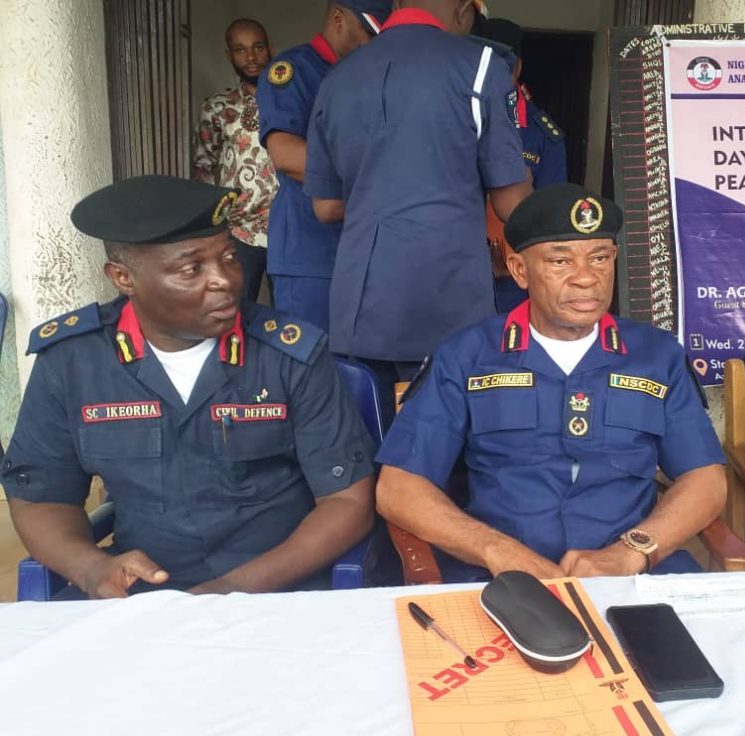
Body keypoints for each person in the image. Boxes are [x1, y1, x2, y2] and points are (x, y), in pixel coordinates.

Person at [1, 176, 377, 598]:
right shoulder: (72, 361)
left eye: (230, 257)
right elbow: (41, 498)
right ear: (123, 278)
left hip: (278, 593)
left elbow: (347, 504)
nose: (224, 280)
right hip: (141, 597)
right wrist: (91, 568)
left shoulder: (289, 355)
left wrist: (230, 590)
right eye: (191, 268)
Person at [375, 184, 726, 583]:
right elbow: (398, 488)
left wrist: (631, 552)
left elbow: (706, 479)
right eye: (561, 262)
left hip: (632, 577)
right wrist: (496, 550)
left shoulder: (657, 355)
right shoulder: (468, 356)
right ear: (519, 270)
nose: (586, 279)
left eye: (600, 258)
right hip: (499, 579)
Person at [304, 0, 532, 422]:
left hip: (358, 307)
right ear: (465, 10)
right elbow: (511, 202)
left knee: (371, 441)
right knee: (441, 453)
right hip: (444, 302)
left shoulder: (338, 77)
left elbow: (326, 205)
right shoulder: (480, 64)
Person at [256, 0, 392, 330]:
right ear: (338, 18)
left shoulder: (373, 75)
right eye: (370, 32)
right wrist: (379, 181)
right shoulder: (294, 70)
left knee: (367, 370)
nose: (375, 44)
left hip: (367, 250)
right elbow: (286, 154)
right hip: (311, 251)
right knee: (312, 362)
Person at [477, 17, 568, 313]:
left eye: (500, 66)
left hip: (513, 281)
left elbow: (551, 219)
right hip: (453, 273)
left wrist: (514, 258)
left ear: (517, 68)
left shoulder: (543, 136)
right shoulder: (449, 115)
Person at [193, 18, 278, 304]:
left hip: (288, 228)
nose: (251, 57)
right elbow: (203, 166)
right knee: (237, 313)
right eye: (240, 50)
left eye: (258, 47)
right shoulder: (218, 106)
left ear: (271, 49)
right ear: (229, 56)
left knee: (292, 317)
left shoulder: (293, 101)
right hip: (239, 231)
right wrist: (211, 228)